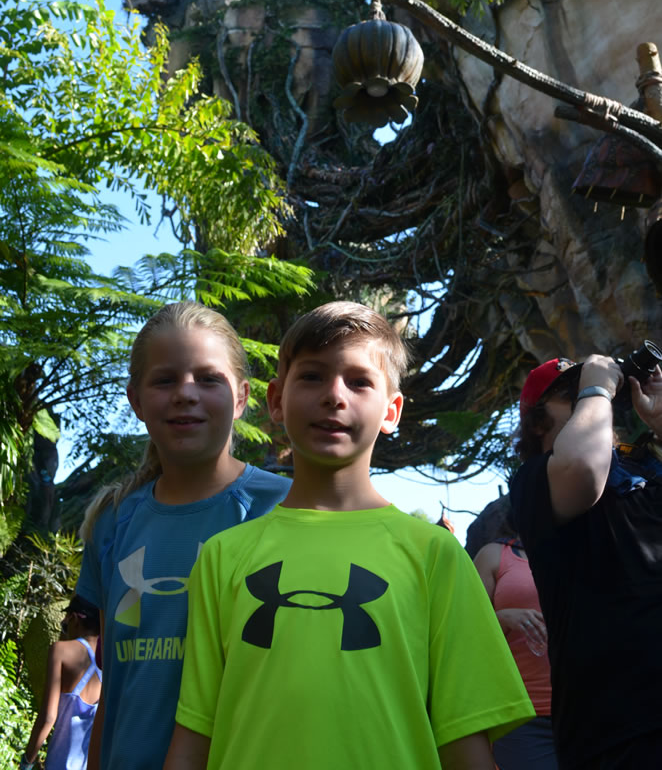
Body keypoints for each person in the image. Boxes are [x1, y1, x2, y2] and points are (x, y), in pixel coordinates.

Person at [164, 301, 534, 770]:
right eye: (312, 376)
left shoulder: (434, 555)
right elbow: (195, 735)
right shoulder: (223, 556)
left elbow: (465, 742)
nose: (334, 395)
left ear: (391, 411)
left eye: (359, 381)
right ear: (276, 400)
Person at [76, 301, 291, 770]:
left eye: (209, 378)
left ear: (241, 398)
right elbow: (114, 688)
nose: (185, 394)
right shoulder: (112, 521)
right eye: (165, 380)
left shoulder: (285, 509)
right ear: (136, 400)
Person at [509, 354, 662, 770]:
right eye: (570, 393)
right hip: (622, 732)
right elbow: (580, 467)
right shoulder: (535, 481)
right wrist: (595, 388)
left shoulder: (645, 470)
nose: (590, 399)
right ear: (537, 423)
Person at [474, 534, 557, 770]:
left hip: (591, 708)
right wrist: (501, 618)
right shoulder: (494, 554)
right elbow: (464, 632)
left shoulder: (592, 548)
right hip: (523, 716)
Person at [20, 595, 102, 770]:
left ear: (74, 618)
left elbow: (48, 717)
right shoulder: (110, 660)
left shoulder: (61, 650)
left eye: (65, 626)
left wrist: (27, 762)